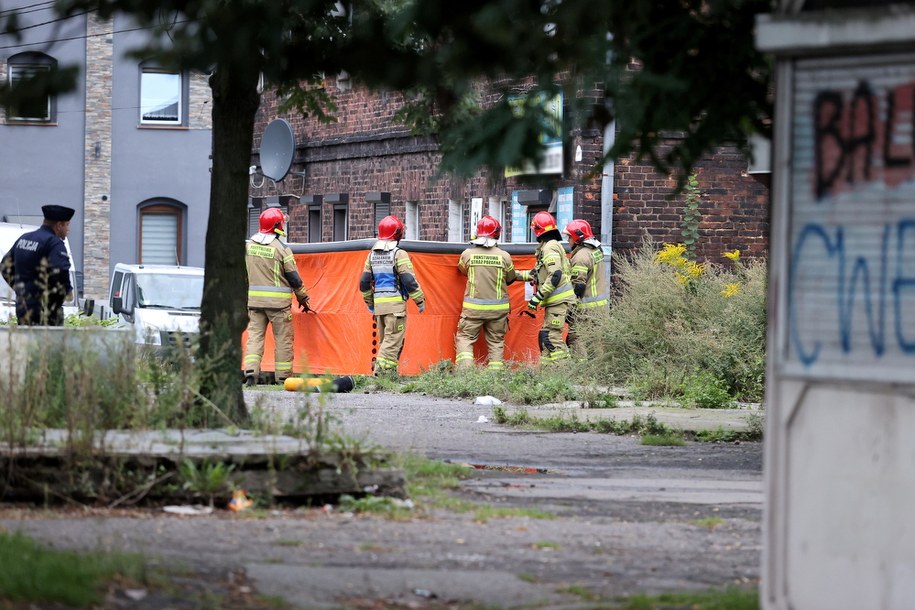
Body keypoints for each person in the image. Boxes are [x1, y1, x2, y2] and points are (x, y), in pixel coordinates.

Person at [243, 208, 311, 386]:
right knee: (283, 340)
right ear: (277, 226)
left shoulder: (248, 246)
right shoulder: (282, 249)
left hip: (255, 304)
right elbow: (294, 279)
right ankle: (283, 378)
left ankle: (250, 373)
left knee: (254, 338)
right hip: (279, 306)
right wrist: (303, 299)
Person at [359, 215, 425, 375]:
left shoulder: (371, 255)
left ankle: (389, 376)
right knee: (392, 342)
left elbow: (364, 283)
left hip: (379, 308)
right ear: (398, 234)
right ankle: (379, 374)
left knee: (386, 342)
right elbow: (409, 280)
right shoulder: (399, 254)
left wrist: (370, 303)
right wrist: (420, 300)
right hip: (395, 309)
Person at [454, 216, 517, 370]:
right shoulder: (505, 256)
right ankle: (495, 376)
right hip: (498, 311)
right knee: (496, 342)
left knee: (465, 338)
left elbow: (462, 270)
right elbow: (511, 278)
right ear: (497, 234)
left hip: (473, 310)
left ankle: (466, 373)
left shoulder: (467, 254)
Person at [516, 211, 576, 364]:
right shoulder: (550, 246)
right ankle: (548, 371)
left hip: (559, 301)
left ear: (537, 230)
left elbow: (555, 274)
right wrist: (511, 275)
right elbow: (536, 274)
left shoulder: (549, 248)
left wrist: (538, 297)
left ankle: (564, 370)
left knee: (552, 338)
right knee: (545, 336)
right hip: (556, 302)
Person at [0, 205, 74, 326]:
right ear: (59, 225)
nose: (68, 229)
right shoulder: (54, 243)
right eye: (67, 225)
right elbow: (60, 270)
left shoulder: (24, 238)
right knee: (47, 339)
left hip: (23, 309)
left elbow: (4, 266)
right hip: (46, 312)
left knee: (26, 338)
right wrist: (67, 292)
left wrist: (21, 290)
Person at [562, 219, 609, 354]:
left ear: (577, 238)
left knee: (577, 339)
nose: (568, 240)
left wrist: (570, 308)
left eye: (569, 237)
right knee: (596, 342)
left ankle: (581, 365)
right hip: (600, 307)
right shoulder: (595, 250)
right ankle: (597, 365)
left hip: (586, 310)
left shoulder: (580, 257)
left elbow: (579, 286)